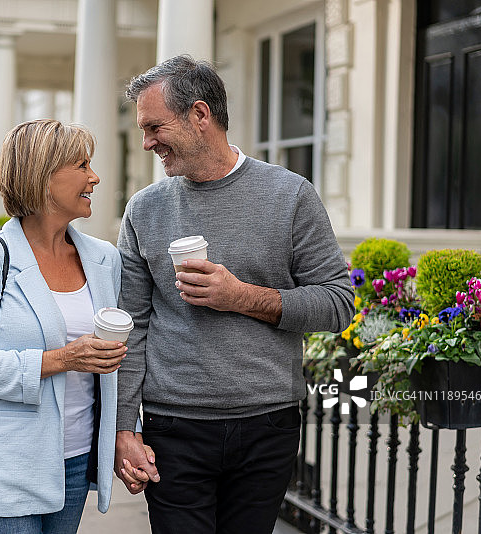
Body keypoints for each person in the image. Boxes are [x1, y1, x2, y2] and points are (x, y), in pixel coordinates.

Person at [114, 55, 355, 534]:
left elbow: (337, 303)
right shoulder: (145, 209)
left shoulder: (290, 196)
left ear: (200, 116)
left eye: (155, 126)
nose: (147, 143)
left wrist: (241, 296)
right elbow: (131, 325)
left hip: (268, 427)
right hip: (173, 429)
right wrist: (124, 429)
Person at [0, 119, 151, 534]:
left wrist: (126, 433)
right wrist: (63, 359)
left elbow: (119, 360)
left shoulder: (103, 259)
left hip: (74, 463)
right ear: (43, 175)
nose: (94, 177)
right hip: (4, 466)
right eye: (81, 165)